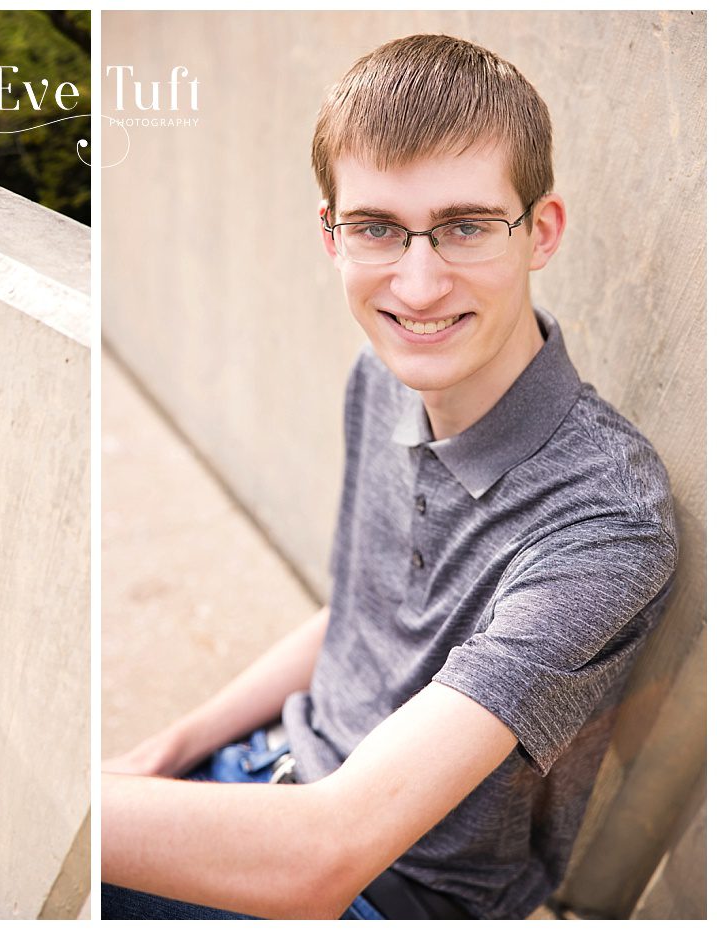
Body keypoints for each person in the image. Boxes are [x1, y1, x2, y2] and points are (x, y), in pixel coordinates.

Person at [101, 34, 677, 919]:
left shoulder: (604, 521)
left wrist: (48, 800)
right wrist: (166, 750)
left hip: (380, 890)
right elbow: (362, 612)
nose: (416, 285)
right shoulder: (387, 376)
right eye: (376, 228)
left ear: (542, 232)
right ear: (330, 234)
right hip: (266, 778)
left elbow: (323, 856)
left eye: (466, 226)